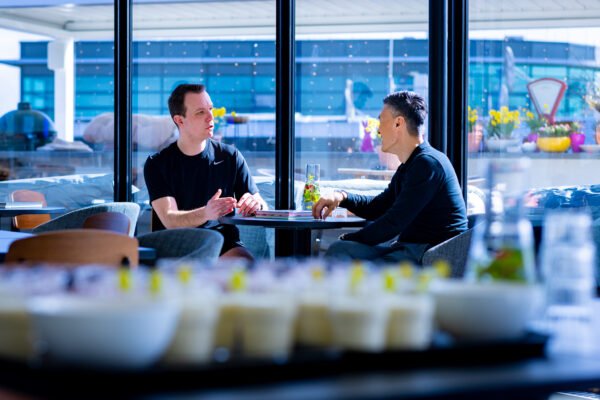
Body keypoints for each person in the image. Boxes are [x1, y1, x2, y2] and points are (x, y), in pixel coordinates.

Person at [313, 90, 468, 263]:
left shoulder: (428, 164)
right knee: (341, 250)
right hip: (411, 250)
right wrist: (342, 197)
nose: (378, 130)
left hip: (429, 257)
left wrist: (350, 238)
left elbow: (394, 222)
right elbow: (379, 207)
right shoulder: (412, 165)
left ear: (398, 124)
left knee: (341, 251)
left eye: (381, 121)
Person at [144, 83, 266, 260]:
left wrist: (256, 203)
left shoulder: (230, 156)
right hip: (177, 247)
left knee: (248, 269)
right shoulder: (157, 164)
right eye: (200, 112)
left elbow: (259, 201)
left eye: (210, 109)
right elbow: (170, 220)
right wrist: (207, 213)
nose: (211, 118)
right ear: (179, 120)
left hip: (222, 243)